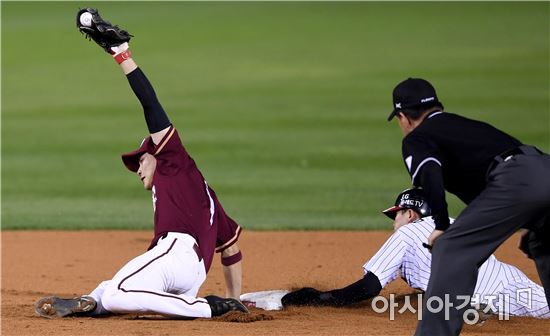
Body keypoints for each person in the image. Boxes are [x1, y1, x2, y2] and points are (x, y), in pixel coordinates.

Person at [34, 8, 248, 319]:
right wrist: (236, 300)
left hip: (176, 255)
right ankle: (92, 302)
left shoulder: (173, 160)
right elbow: (230, 249)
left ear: (156, 153)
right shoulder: (205, 194)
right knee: (110, 288)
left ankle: (205, 308)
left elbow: (151, 104)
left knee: (121, 293)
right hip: (186, 273)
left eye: (139, 162)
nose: (138, 170)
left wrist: (122, 56)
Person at [386, 78, 550, 335]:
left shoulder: (418, 138)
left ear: (404, 117)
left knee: (451, 248)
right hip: (542, 165)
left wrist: (441, 225)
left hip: (516, 179)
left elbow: (429, 173)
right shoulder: (466, 125)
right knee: (542, 243)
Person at [281, 188, 549, 320]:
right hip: (512, 282)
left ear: (410, 214)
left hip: (482, 309)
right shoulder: (453, 221)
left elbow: (368, 287)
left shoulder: (406, 234)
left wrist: (319, 298)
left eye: (395, 214)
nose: (393, 222)